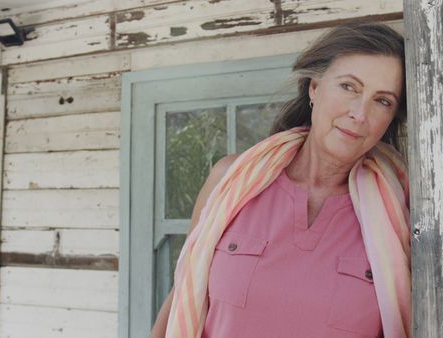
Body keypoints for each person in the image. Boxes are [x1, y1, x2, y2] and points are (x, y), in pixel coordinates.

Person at [150, 22, 411, 338]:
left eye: (382, 100)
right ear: (314, 87)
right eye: (348, 87)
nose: (359, 113)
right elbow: (183, 292)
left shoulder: (401, 215)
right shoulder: (231, 180)